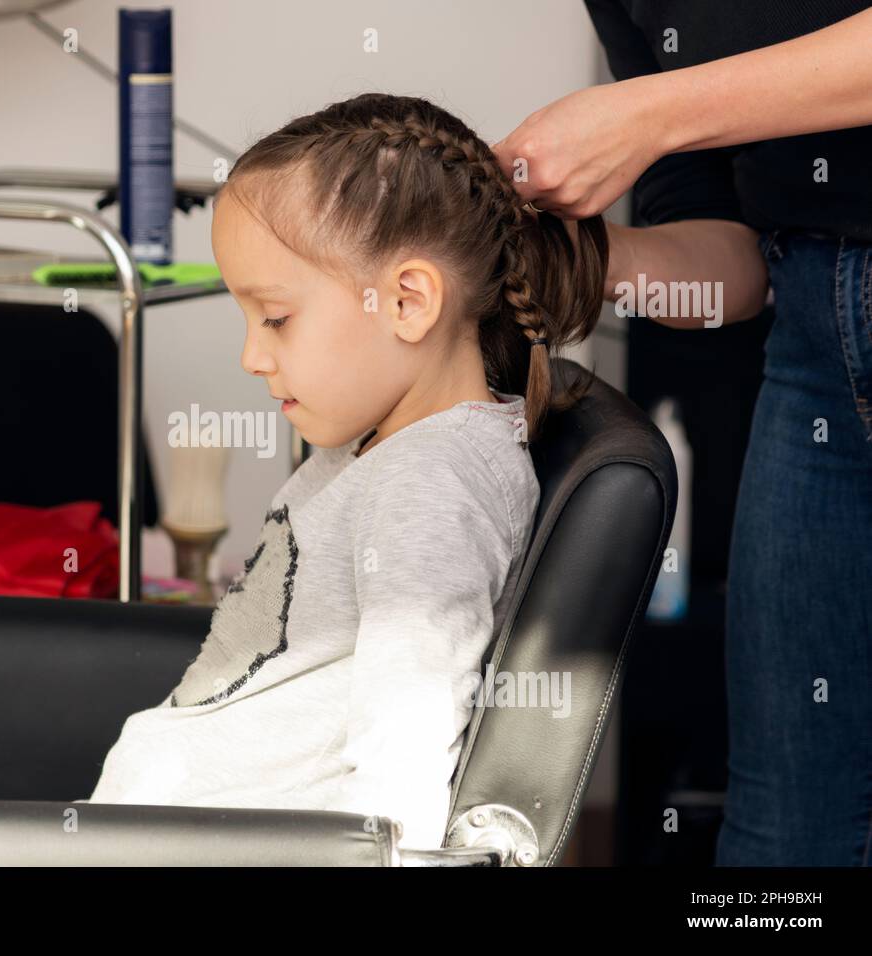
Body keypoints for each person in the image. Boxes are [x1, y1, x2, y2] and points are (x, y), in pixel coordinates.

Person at [84, 92, 607, 850]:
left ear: (407, 301)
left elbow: (405, 751)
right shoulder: (383, 449)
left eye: (275, 316)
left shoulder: (429, 483)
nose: (251, 356)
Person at [492, 3, 872, 865]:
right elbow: (733, 268)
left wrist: (650, 114)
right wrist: (578, 257)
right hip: (814, 350)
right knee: (784, 834)